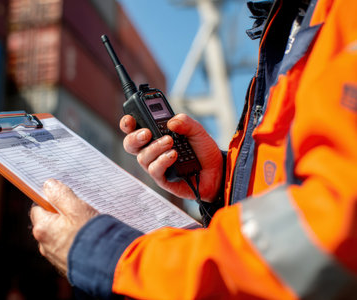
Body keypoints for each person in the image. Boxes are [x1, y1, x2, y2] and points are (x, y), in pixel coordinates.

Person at [30, 0, 357, 298]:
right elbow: (297, 184)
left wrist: (110, 254)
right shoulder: (293, 20)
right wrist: (222, 182)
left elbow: (329, 235)